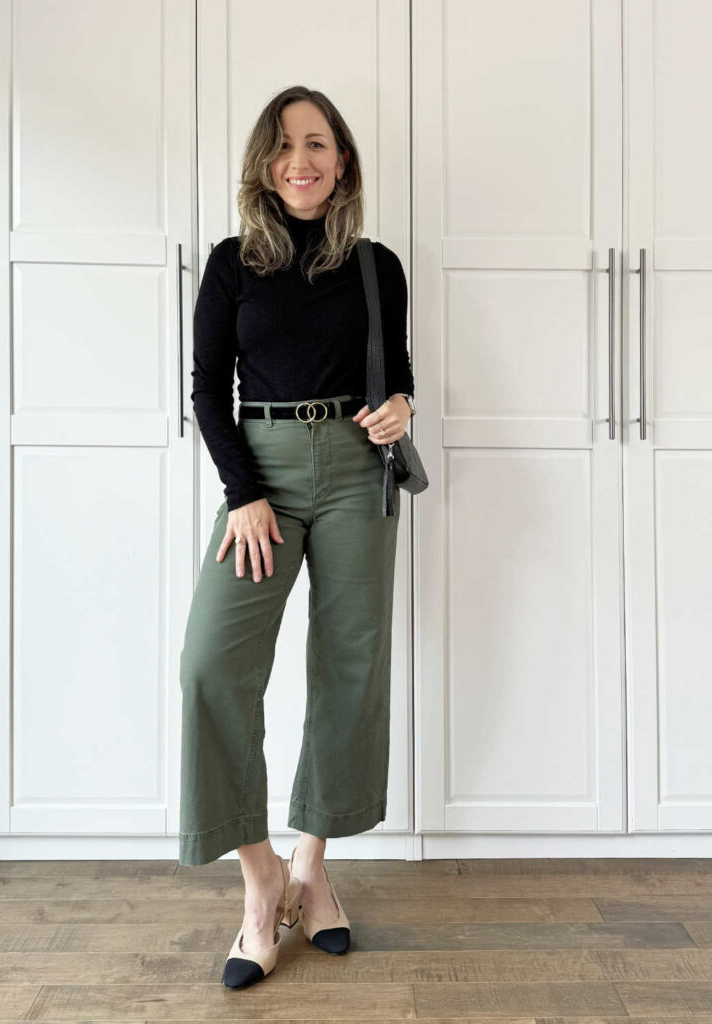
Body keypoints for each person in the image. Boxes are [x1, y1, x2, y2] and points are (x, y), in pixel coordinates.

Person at [178, 85, 415, 988]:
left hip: (358, 470)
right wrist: (243, 491)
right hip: (262, 473)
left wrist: (399, 408)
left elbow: (396, 376)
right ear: (263, 164)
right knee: (211, 664)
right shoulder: (234, 262)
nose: (300, 161)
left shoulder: (377, 265)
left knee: (349, 665)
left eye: (317, 144)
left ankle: (313, 870)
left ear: (343, 159)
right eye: (283, 147)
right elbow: (207, 387)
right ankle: (259, 880)